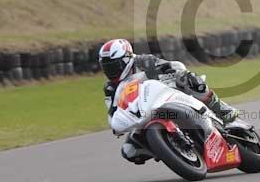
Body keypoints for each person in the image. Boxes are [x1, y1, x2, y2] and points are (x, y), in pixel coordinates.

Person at [98, 39, 238, 163]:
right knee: (129, 150)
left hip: (168, 93)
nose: (110, 70)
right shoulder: (110, 88)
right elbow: (113, 111)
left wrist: (174, 73)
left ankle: (221, 108)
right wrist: (117, 125)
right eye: (106, 67)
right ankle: (168, 148)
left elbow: (171, 66)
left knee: (189, 79)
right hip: (144, 112)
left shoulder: (143, 61)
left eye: (114, 65)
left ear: (127, 59)